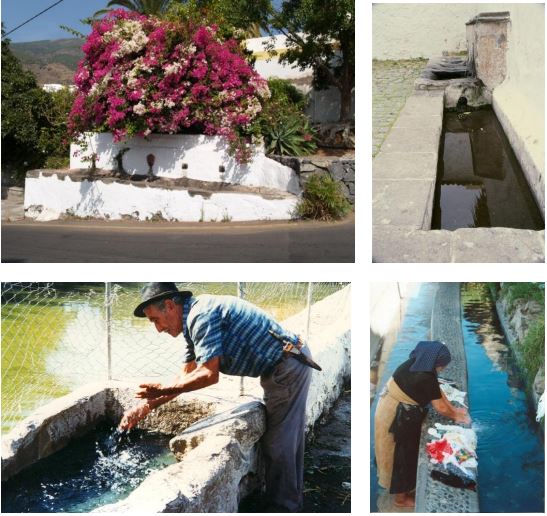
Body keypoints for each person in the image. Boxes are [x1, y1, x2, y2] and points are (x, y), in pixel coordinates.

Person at [119, 283, 317, 512]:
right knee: (288, 439)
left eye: (155, 320)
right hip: (287, 362)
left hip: (287, 365)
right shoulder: (192, 322)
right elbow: (186, 375)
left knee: (279, 444)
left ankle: (284, 507)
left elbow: (208, 375)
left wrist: (162, 387)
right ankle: (290, 501)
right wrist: (144, 408)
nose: (158, 329)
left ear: (170, 306)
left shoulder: (200, 316)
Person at [374, 340, 471, 508]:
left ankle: (403, 492)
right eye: (442, 366)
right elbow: (439, 406)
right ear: (436, 363)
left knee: (404, 455)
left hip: (393, 406)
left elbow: (437, 392)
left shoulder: (421, 363)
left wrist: (455, 410)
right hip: (396, 415)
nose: (443, 369)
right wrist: (457, 418)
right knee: (401, 457)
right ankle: (400, 500)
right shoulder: (425, 376)